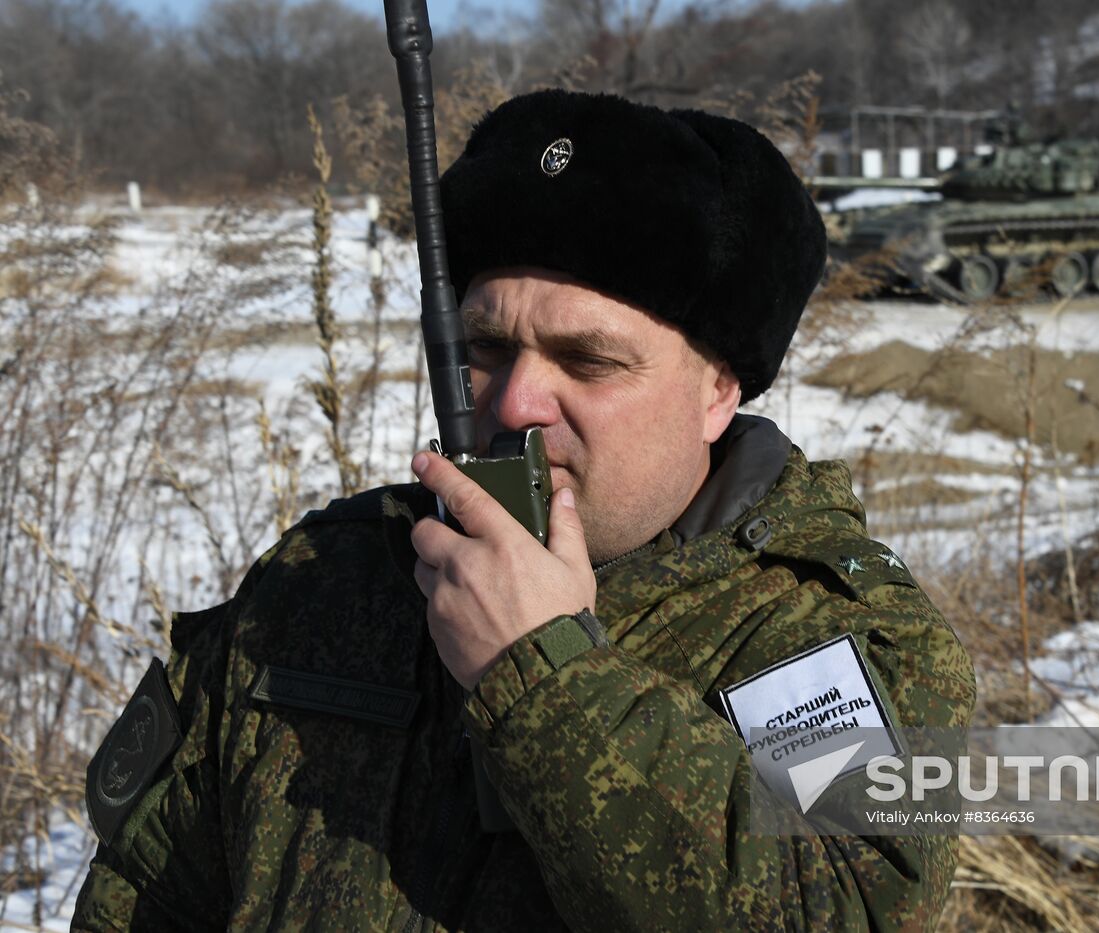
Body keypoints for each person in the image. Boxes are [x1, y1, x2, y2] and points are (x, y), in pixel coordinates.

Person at [73, 89, 975, 931]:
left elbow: (850, 901)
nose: (514, 404)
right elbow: (143, 892)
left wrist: (543, 676)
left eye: (589, 362)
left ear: (718, 392)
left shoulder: (819, 636)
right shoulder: (325, 583)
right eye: (488, 346)